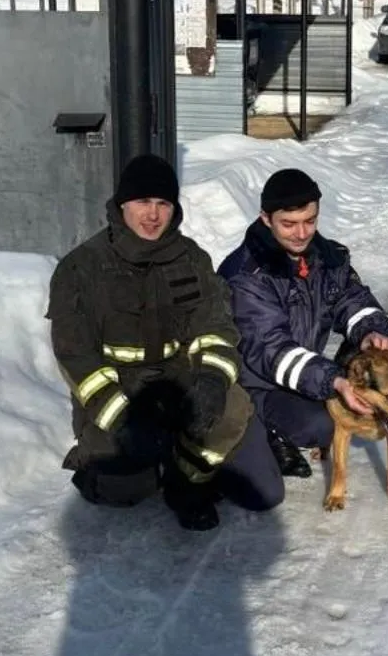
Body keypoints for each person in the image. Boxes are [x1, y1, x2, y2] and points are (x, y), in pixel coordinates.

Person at [46, 154, 284, 531]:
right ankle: (106, 467)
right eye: (143, 201)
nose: (153, 214)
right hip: (121, 389)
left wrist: (211, 380)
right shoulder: (80, 268)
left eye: (163, 203)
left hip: (177, 381)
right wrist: (123, 420)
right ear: (122, 204)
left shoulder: (192, 259)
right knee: (125, 488)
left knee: (234, 413)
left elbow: (215, 327)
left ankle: (186, 480)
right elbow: (76, 358)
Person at [217, 168, 388, 479]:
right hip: (252, 383)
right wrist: (334, 379)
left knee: (333, 417)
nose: (301, 233)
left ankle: (277, 428)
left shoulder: (327, 258)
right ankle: (257, 430)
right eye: (289, 224)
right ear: (266, 219)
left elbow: (353, 300)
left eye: (310, 221)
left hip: (297, 374)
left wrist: (373, 331)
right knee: (315, 432)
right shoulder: (248, 275)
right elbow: (272, 350)